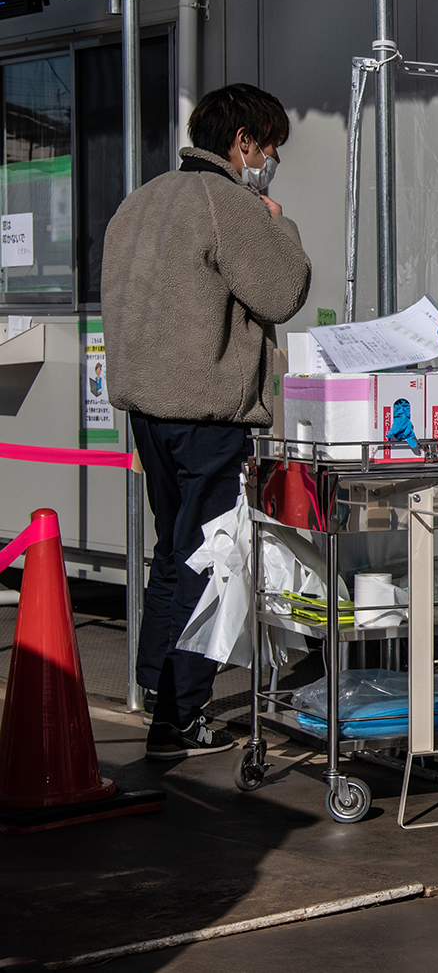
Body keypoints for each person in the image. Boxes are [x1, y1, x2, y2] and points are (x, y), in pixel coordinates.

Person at [103, 83, 312, 759]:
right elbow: (284, 288)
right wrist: (278, 222)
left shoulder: (140, 200)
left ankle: (155, 688)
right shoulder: (228, 202)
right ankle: (181, 716)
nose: (270, 159)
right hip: (211, 414)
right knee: (212, 560)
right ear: (243, 141)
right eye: (269, 146)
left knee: (172, 550)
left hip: (147, 411)